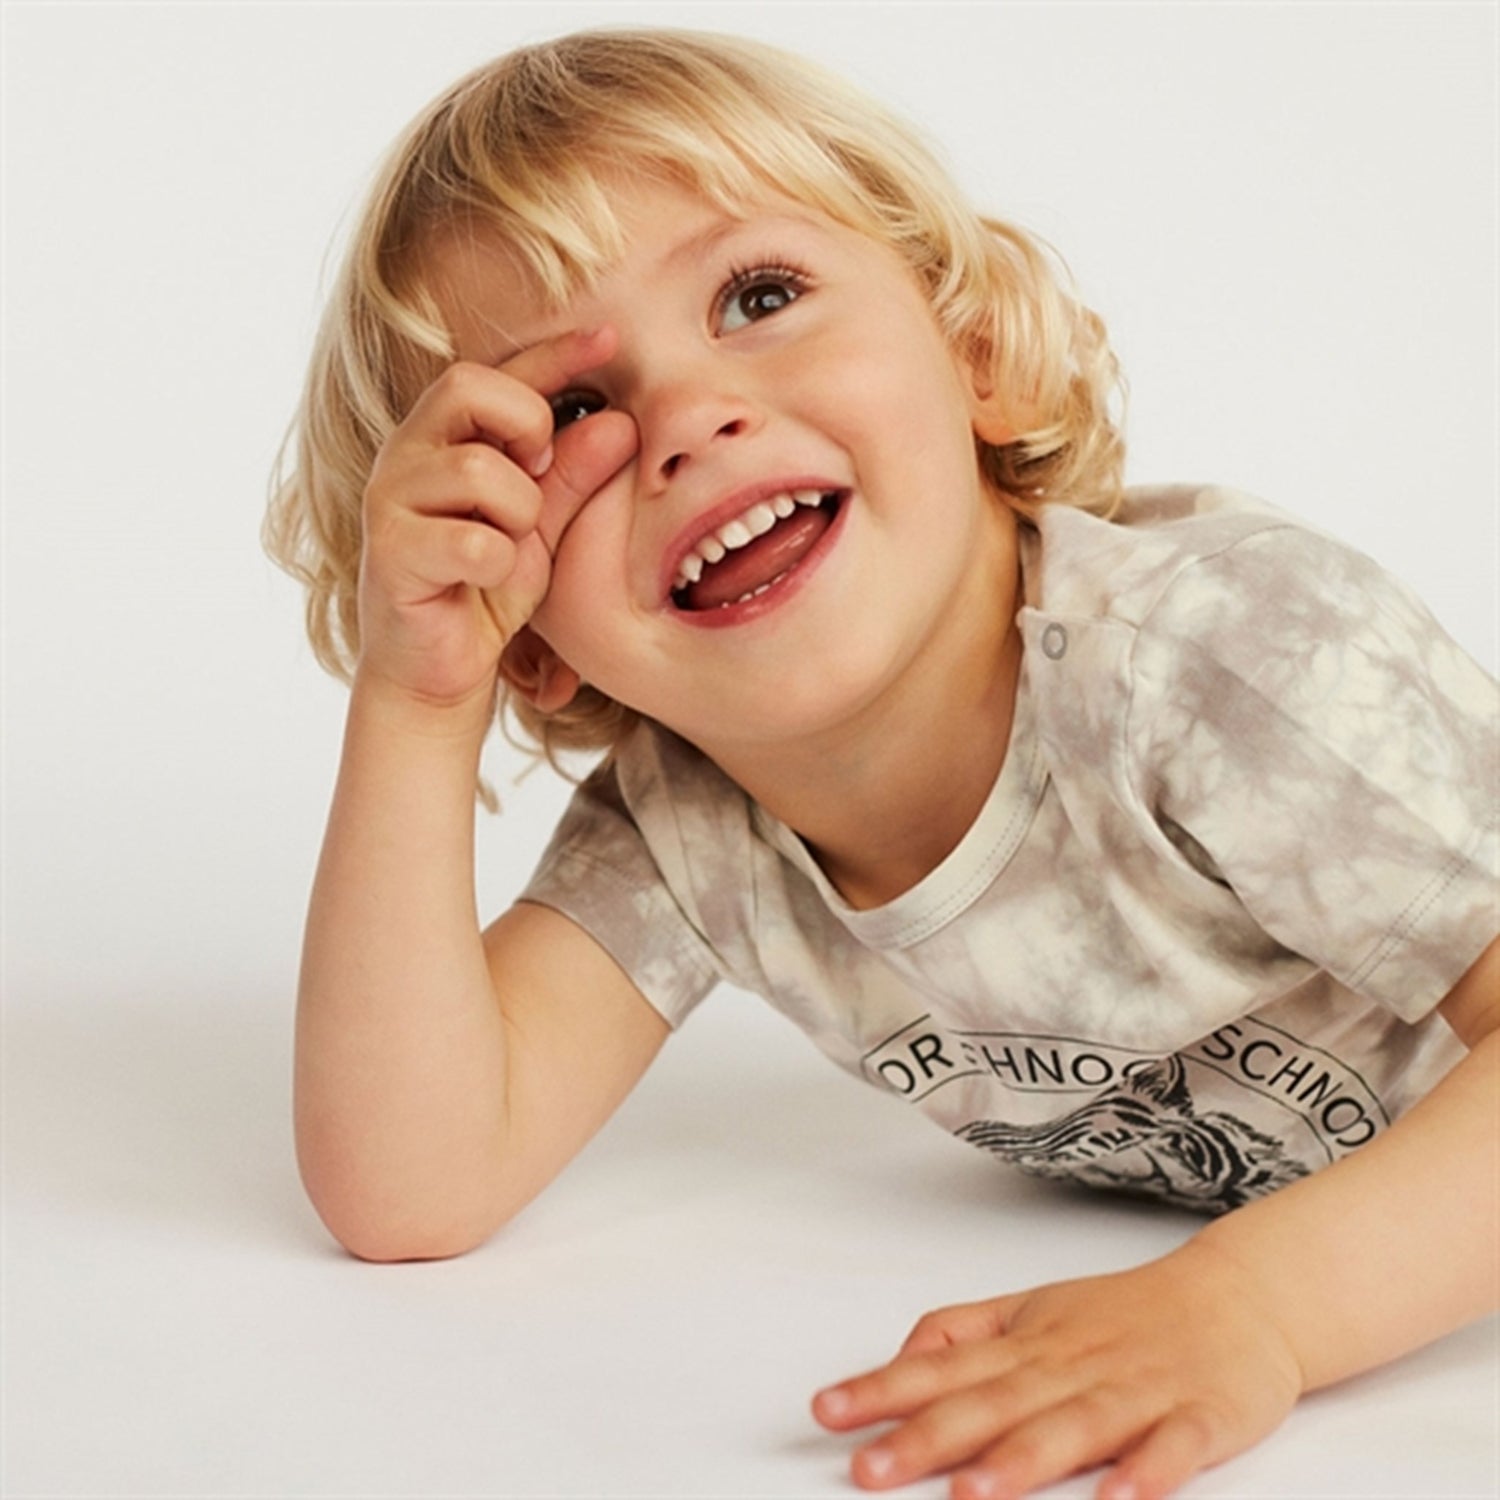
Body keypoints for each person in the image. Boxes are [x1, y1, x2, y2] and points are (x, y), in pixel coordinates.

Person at [264, 28, 1498, 1500]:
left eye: (758, 296)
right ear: (529, 630)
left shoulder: (1220, 658)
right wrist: (416, 700)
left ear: (972, 349)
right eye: (574, 415)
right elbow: (411, 1187)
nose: (687, 422)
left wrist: (1257, 1309)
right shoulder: (692, 823)